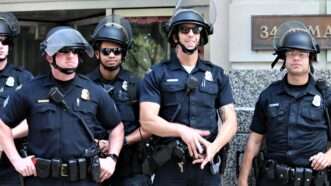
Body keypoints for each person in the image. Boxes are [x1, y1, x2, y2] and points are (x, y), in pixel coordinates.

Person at [0, 26, 125, 186]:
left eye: (75, 51)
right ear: (49, 56)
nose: (71, 56)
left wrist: (112, 159)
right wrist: (17, 161)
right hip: (41, 180)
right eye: (64, 51)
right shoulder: (30, 90)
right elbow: (3, 124)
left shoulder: (94, 91)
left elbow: (116, 127)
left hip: (83, 180)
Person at [139, 7, 238, 186]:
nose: (191, 34)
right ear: (175, 36)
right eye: (185, 30)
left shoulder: (217, 75)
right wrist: (181, 131)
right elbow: (147, 120)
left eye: (196, 30)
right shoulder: (157, 74)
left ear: (201, 35)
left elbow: (230, 121)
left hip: (206, 163)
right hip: (170, 165)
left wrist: (214, 148)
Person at [238, 21, 331, 186]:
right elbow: (255, 140)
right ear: (283, 58)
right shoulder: (269, 95)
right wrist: (243, 179)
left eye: (302, 54)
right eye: (291, 53)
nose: (296, 58)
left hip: (313, 180)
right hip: (273, 179)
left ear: (310, 58)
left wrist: (329, 156)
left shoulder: (325, 96)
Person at [88, 16, 151, 186]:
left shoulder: (136, 84)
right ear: (97, 53)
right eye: (106, 51)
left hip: (130, 169)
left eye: (117, 51)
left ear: (123, 54)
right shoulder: (84, 85)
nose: (112, 55)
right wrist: (97, 143)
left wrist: (120, 142)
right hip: (93, 166)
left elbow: (149, 127)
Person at [0, 12, 33, 186]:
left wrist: (4, 138)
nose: (1, 45)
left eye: (5, 41)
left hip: (11, 163)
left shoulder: (24, 78)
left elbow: (34, 118)